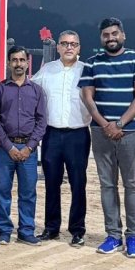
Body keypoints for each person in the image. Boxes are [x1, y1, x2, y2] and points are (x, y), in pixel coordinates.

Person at [79, 17, 135, 257]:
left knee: (133, 185)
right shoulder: (92, 63)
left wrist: (120, 123)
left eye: (114, 34)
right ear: (101, 38)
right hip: (102, 133)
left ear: (123, 35)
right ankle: (113, 235)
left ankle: (133, 237)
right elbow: (88, 98)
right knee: (107, 185)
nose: (110, 38)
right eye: (106, 35)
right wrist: (105, 125)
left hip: (132, 131)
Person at [32, 30, 92, 247]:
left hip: (78, 135)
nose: (69, 47)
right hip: (52, 135)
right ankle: (51, 228)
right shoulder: (47, 71)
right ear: (57, 47)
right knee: (51, 182)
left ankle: (77, 229)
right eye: (65, 43)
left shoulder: (87, 71)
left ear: (79, 47)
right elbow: (31, 93)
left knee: (78, 183)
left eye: (73, 44)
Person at [0, 46, 47, 246]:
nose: (18, 64)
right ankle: (4, 231)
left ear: (27, 63)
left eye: (22, 60)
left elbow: (41, 122)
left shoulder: (36, 91)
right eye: (14, 60)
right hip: (4, 149)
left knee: (28, 193)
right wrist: (9, 147)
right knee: (2, 191)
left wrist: (29, 147)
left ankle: (26, 231)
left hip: (28, 151)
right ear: (9, 63)